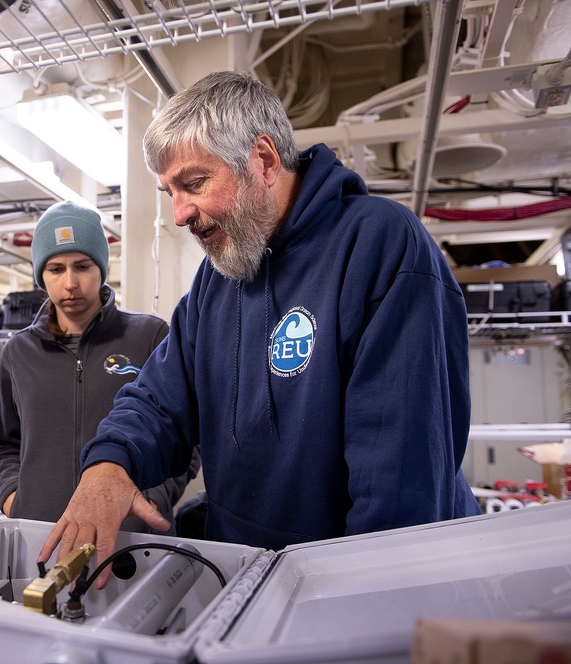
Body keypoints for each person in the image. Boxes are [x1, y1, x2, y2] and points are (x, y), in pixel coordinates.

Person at [40, 71, 481, 585]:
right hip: (250, 580)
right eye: (169, 192)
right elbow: (158, 401)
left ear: (265, 162)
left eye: (194, 183)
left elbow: (400, 481)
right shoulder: (217, 278)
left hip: (352, 582)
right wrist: (109, 465)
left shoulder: (381, 245)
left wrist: (360, 603)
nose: (179, 214)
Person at [0, 200, 200, 531]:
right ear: (41, 276)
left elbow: (185, 436)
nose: (70, 283)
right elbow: (7, 444)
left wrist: (155, 498)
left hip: (130, 539)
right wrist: (14, 499)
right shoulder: (18, 352)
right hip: (40, 537)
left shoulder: (149, 336)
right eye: (56, 269)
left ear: (101, 268)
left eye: (83, 266)